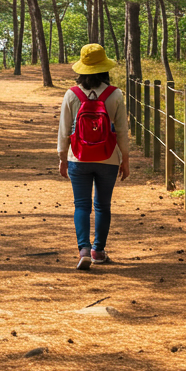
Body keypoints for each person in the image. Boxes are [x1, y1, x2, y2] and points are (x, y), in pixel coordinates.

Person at [57, 44, 131, 270]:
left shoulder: (72, 94)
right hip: (108, 157)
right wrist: (125, 159)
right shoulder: (115, 94)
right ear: (104, 68)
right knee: (102, 205)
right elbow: (121, 130)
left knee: (81, 205)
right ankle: (99, 250)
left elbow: (63, 129)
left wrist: (62, 158)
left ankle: (84, 250)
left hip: (78, 158)